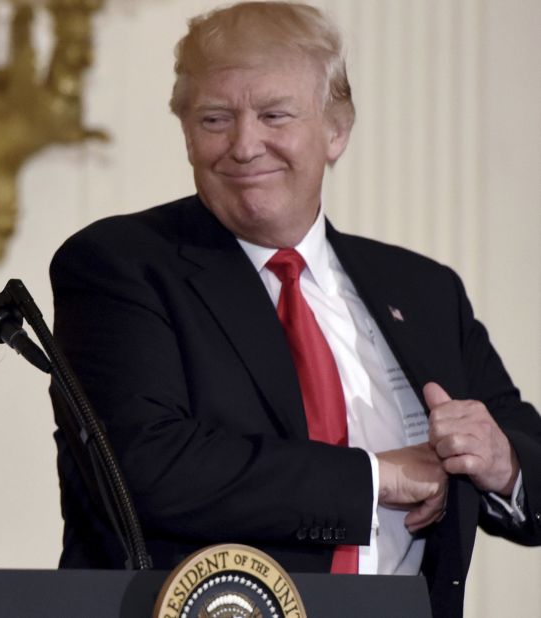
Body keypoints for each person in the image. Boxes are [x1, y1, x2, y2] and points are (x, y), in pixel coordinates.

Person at [49, 3, 541, 617]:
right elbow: (145, 466)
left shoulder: (422, 290)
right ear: (185, 130)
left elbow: (526, 450)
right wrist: (374, 480)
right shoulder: (120, 265)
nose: (244, 145)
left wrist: (503, 463)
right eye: (215, 118)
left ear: (337, 130)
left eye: (274, 115)